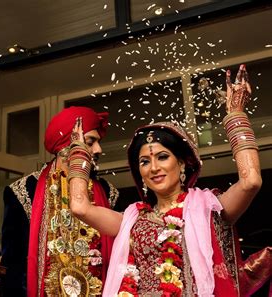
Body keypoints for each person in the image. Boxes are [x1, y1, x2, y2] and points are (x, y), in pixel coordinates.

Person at [69, 64, 262, 296]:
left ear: (182, 163)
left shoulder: (211, 210)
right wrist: (79, 153)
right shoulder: (132, 221)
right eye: (144, 162)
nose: (154, 168)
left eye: (162, 157)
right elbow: (79, 206)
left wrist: (235, 116)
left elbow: (251, 181)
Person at [1, 106, 120, 297]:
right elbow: (12, 266)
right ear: (66, 146)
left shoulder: (108, 191)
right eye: (91, 142)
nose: (99, 149)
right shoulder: (23, 191)